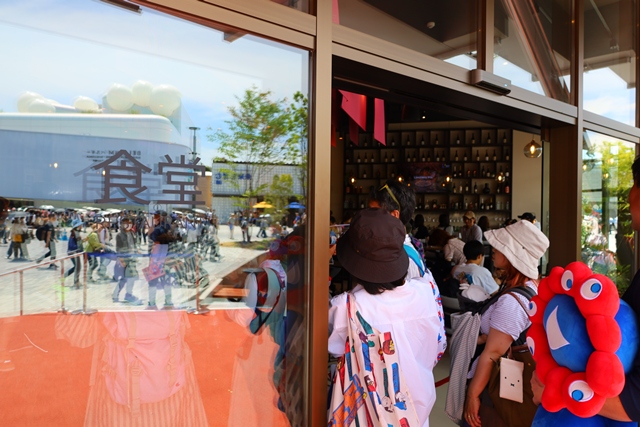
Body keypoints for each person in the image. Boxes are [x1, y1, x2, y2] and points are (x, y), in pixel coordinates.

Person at [328, 208, 446, 427]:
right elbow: (439, 347)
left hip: (369, 416)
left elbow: (334, 349)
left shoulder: (346, 307)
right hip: (418, 413)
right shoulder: (426, 292)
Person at [463, 219, 549, 427]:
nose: (493, 249)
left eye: (500, 246)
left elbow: (493, 353)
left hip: (495, 390)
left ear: (512, 256)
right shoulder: (532, 287)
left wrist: (473, 395)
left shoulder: (512, 301)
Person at [112, 217, 143, 304]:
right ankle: (127, 295)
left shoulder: (132, 233)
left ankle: (117, 295)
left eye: (129, 223)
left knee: (127, 278)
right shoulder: (119, 235)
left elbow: (134, 244)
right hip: (125, 259)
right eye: (126, 223)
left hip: (132, 258)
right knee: (129, 278)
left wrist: (137, 251)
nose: (128, 225)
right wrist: (121, 260)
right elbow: (118, 249)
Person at [64, 219, 83, 289]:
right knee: (78, 267)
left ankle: (63, 276)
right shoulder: (76, 233)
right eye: (80, 225)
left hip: (71, 251)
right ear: (77, 226)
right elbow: (79, 244)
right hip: (74, 252)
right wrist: (82, 250)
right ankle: (76, 282)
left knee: (76, 266)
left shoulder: (73, 232)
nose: (81, 226)